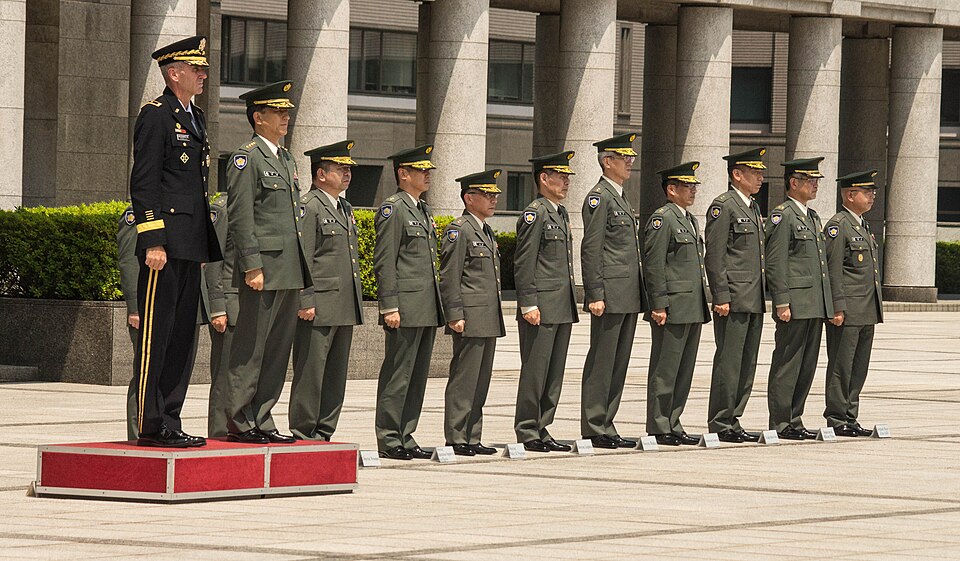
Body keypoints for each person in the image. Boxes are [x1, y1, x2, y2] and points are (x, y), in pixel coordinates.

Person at [129, 35, 221, 447]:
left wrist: (199, 245)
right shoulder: (156, 115)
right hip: (162, 247)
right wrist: (153, 240)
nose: (203, 74)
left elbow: (195, 188)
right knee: (157, 335)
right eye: (196, 69)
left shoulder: (195, 115)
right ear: (174, 72)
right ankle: (149, 423)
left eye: (203, 69)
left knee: (183, 338)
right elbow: (145, 182)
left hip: (188, 244)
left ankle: (170, 417)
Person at [224, 80, 310, 444]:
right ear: (258, 118)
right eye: (278, 112)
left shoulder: (286, 158)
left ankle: (263, 417)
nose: (285, 117)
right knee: (251, 348)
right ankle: (241, 420)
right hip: (264, 269)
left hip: (288, 267)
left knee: (277, 349)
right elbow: (242, 216)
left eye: (286, 112)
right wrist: (252, 265)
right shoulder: (247, 158)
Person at [118, 200, 225, 442]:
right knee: (148, 373)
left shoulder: (187, 216)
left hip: (189, 306)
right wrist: (136, 308)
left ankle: (169, 425)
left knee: (178, 371)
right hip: (152, 307)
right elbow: (129, 262)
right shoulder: (140, 215)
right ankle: (140, 431)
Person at [289, 140, 364, 441]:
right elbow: (303, 256)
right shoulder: (309, 206)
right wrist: (305, 299)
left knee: (335, 375)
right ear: (321, 174)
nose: (346, 174)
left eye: (348, 169)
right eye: (340, 169)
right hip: (318, 305)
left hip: (343, 304)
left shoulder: (344, 207)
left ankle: (325, 430)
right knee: (311, 373)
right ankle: (304, 431)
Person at [373, 145, 444, 460]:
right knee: (399, 374)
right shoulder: (394, 208)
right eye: (421, 170)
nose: (427, 175)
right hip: (404, 307)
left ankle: (406, 433)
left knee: (416, 376)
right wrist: (389, 305)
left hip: (426, 306)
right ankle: (389, 438)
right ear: (403, 174)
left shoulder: (422, 209)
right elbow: (385, 261)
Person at [579, 133, 647, 449]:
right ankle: (594, 424)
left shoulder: (619, 196)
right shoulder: (600, 197)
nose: (630, 162)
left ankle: (606, 422)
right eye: (624, 157)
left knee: (618, 363)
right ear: (608, 161)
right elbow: (592, 248)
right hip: (609, 295)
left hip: (627, 294)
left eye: (631, 157)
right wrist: (594, 293)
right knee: (603, 362)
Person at [513, 152, 578, 453]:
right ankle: (527, 429)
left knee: (554, 373)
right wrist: (528, 303)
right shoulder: (535, 213)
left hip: (561, 306)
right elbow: (524, 261)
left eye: (567, 177)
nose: (566, 182)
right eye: (560, 176)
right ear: (543, 179)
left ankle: (543, 426)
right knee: (536, 371)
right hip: (540, 307)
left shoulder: (560, 213)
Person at [765, 157, 834, 440]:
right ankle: (781, 421)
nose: (816, 185)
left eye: (817, 180)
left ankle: (795, 417)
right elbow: (776, 261)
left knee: (806, 364)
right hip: (794, 304)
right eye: (810, 180)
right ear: (794, 183)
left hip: (813, 304)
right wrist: (782, 300)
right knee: (788, 363)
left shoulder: (812, 216)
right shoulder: (783, 216)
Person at [643, 162, 711, 446]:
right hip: (672, 306)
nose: (693, 191)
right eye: (687, 186)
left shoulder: (689, 219)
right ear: (671, 189)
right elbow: (654, 264)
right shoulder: (663, 219)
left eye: (694, 186)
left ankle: (674, 421)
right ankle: (659, 424)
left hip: (692, 305)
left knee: (684, 369)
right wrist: (658, 304)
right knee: (666, 368)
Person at [439, 170, 506, 457]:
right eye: (487, 195)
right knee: (464, 379)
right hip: (469, 316)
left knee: (480, 381)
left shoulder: (485, 230)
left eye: (494, 195)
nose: (493, 200)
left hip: (487, 317)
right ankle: (456, 435)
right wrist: (454, 313)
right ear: (469, 198)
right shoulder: (460, 229)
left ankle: (472, 435)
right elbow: (449, 275)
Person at [704, 148, 768, 443]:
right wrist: (721, 295)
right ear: (737, 174)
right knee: (729, 361)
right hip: (733, 297)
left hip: (753, 297)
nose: (761, 177)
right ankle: (721, 419)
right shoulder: (724, 206)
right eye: (755, 172)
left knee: (747, 362)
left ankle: (734, 416)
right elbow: (715, 255)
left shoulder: (752, 207)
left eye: (761, 172)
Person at [823, 170, 883, 437]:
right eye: (866, 191)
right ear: (850, 194)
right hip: (847, 310)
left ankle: (850, 414)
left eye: (872, 192)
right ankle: (837, 417)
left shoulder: (862, 224)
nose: (871, 196)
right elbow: (833, 270)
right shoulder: (838, 226)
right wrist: (836, 306)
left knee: (859, 366)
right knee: (841, 365)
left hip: (866, 310)